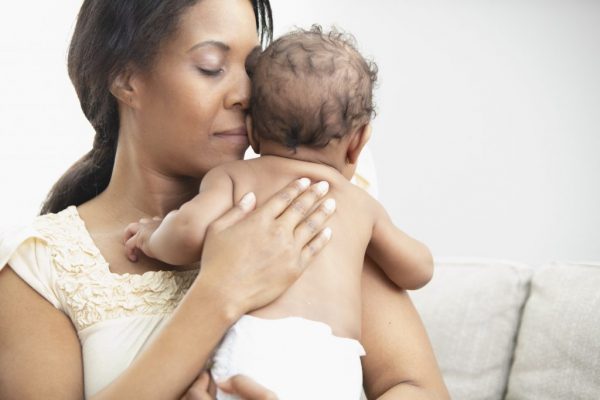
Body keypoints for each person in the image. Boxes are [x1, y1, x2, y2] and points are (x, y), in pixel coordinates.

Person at [0, 0, 450, 399]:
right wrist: (220, 293)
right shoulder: (42, 268)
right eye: (212, 67)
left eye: (253, 70)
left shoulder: (308, 206)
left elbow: (416, 387)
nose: (244, 94)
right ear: (126, 78)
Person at [123, 26, 434, 399]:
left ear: (252, 131)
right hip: (335, 365)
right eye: (211, 67)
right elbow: (419, 269)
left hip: (258, 353)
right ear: (357, 143)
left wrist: (152, 237)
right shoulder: (359, 205)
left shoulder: (236, 178)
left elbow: (188, 232)